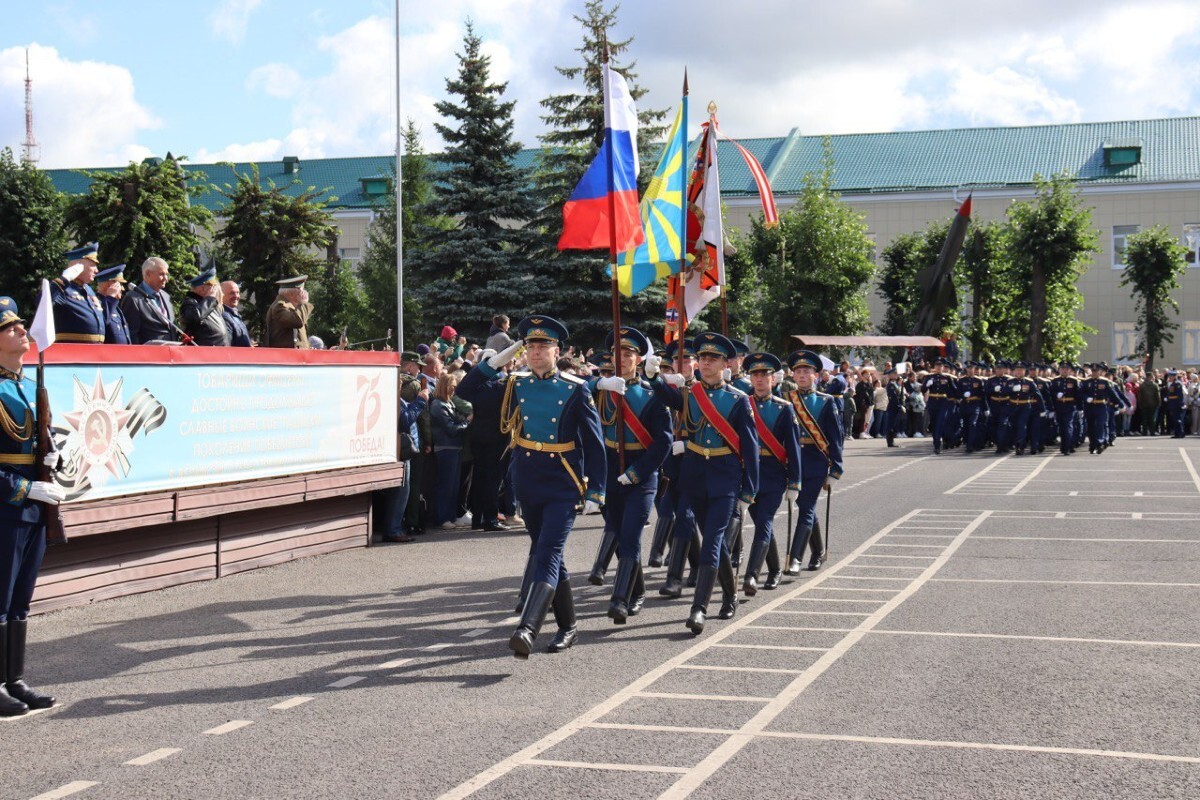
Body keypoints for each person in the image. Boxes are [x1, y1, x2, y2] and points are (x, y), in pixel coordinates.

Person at [457, 315, 605, 658]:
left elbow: (594, 443)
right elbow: (467, 391)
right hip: (527, 479)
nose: (536, 352)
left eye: (544, 346)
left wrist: (597, 489)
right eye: (531, 346)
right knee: (546, 552)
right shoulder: (515, 384)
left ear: (558, 351)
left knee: (549, 552)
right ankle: (568, 627)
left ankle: (528, 627)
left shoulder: (575, 387)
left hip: (563, 481)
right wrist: (500, 358)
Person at [654, 332, 759, 635]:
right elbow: (666, 397)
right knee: (712, 541)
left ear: (726, 364)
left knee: (713, 541)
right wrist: (653, 378)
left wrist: (748, 489)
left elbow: (750, 447)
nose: (706, 363)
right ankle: (729, 594)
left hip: (725, 476)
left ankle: (698, 608)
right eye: (702, 358)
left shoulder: (739, 400)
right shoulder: (690, 393)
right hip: (695, 474)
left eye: (713, 359)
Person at [0, 297, 66, 716]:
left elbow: (39, 440)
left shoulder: (28, 383)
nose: (22, 331)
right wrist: (25, 489)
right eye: (10, 328)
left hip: (32, 509)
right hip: (8, 506)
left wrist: (55, 456)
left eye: (23, 325)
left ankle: (13, 679)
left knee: (21, 599)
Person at [591, 327, 671, 624]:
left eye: (628, 354)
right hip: (610, 468)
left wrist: (637, 472)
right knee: (618, 533)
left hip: (642, 470)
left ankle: (620, 599)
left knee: (631, 534)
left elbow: (663, 442)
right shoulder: (602, 390)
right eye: (617, 353)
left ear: (639, 359)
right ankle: (637, 592)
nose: (621, 358)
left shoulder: (651, 395)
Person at [740, 353, 800, 596]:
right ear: (750, 379)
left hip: (774, 474)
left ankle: (751, 575)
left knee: (764, 521)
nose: (760, 379)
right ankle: (774, 569)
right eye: (755, 375)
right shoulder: (742, 404)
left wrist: (795, 482)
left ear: (773, 379)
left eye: (764, 375)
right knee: (760, 522)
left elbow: (794, 448)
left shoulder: (784, 408)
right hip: (748, 475)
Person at [784, 349, 844, 573]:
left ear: (816, 375)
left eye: (806, 371)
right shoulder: (787, 400)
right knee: (804, 506)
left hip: (815, 461)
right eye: (798, 371)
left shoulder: (826, 402)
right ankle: (818, 551)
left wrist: (836, 468)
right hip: (792, 460)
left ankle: (795, 558)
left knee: (806, 507)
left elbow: (836, 438)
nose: (801, 375)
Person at [50, 242, 105, 343]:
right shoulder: (62, 288)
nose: (96, 270)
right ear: (78, 265)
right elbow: (43, 302)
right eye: (93, 265)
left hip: (95, 351)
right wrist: (63, 280)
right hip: (71, 352)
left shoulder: (89, 290)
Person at [120, 257, 176, 344]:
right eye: (161, 274)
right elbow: (131, 334)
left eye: (166, 274)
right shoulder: (133, 298)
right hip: (148, 354)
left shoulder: (166, 296)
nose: (166, 278)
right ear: (148, 274)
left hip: (170, 353)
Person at [180, 266, 231, 347]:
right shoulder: (190, 303)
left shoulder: (209, 304)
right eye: (213, 287)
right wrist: (210, 299)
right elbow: (194, 318)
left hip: (220, 353)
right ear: (203, 288)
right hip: (204, 356)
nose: (216, 290)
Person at [265, 275, 312, 349]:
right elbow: (298, 321)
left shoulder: (291, 307)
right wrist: (304, 303)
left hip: (294, 357)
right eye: (302, 292)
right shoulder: (279, 307)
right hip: (285, 358)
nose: (304, 294)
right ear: (292, 294)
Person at [1049, 361, 1084, 455]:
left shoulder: (1074, 381)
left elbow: (1078, 395)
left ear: (1069, 370)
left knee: (1068, 426)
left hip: (1070, 406)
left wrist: (1080, 408)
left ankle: (1067, 447)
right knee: (1062, 427)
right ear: (1059, 370)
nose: (1064, 370)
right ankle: (1065, 445)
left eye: (1066, 369)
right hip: (1059, 406)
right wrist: (1052, 407)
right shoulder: (1055, 381)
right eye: (1062, 369)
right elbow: (1051, 395)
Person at [94, 264, 132, 345]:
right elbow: (101, 323)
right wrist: (110, 298)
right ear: (109, 285)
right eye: (119, 284)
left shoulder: (114, 306)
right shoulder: (96, 304)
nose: (123, 288)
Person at [220, 281, 253, 347]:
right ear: (221, 295)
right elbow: (227, 344)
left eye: (237, 292)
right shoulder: (223, 316)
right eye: (232, 293)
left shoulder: (234, 314)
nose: (236, 296)